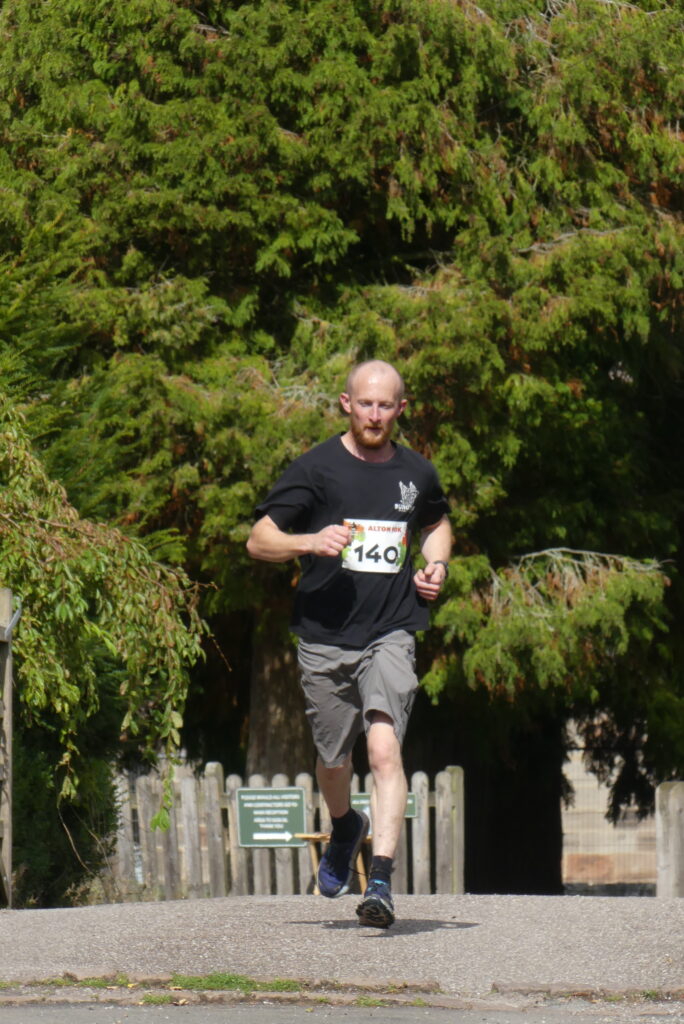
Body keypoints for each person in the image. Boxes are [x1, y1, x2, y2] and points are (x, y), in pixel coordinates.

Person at [246, 360, 452, 927]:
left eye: (386, 406)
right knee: (334, 759)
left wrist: (435, 566)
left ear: (400, 409)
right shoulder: (316, 468)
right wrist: (309, 541)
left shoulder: (417, 472)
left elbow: (436, 524)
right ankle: (344, 827)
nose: (375, 415)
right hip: (324, 636)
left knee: (384, 750)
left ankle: (380, 880)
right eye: (365, 404)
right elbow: (259, 540)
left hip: (391, 630)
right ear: (346, 403)